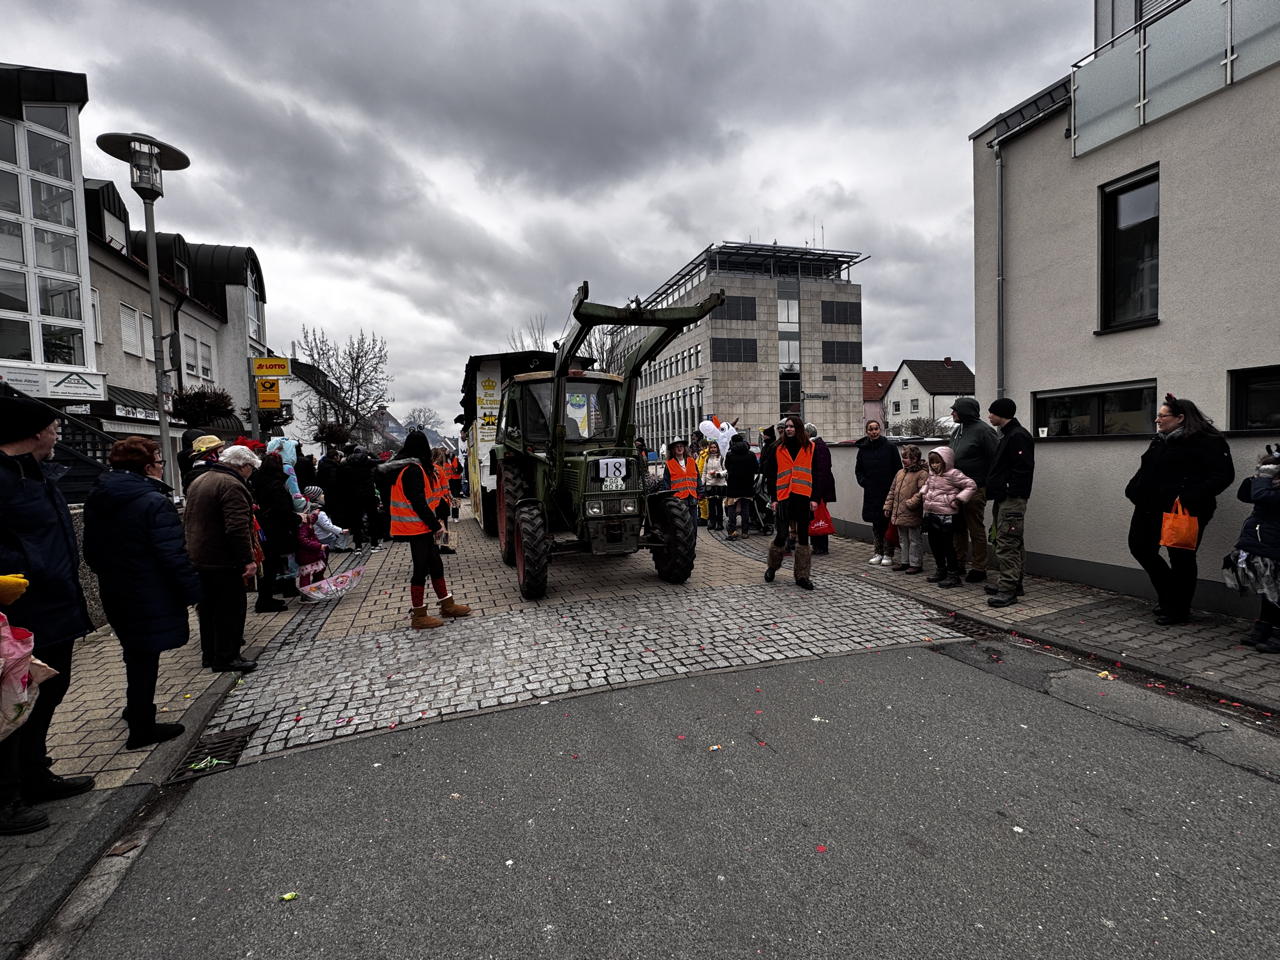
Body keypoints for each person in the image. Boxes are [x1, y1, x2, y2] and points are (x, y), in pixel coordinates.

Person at [0, 398, 94, 834]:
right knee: (12, 708)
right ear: (35, 432)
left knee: (48, 693)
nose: (59, 434)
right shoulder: (4, 479)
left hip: (56, 605)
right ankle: (7, 799)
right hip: (19, 612)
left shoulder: (35, 475)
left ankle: (34, 775)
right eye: (54, 427)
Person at [83, 437, 200, 749]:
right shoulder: (153, 502)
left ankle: (135, 711)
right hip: (150, 591)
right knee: (145, 659)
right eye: (160, 463)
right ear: (148, 467)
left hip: (117, 590)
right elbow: (171, 554)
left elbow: (90, 552)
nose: (162, 469)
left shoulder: (99, 498)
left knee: (135, 654)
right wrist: (192, 590)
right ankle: (141, 726)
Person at [1124, 394, 1234, 625]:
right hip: (1149, 506)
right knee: (1140, 548)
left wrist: (1188, 496)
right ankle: (1168, 597)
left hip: (1183, 510)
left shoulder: (1207, 440)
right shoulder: (1161, 439)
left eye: (1162, 416)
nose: (1157, 420)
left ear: (1180, 418)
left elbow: (1223, 476)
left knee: (1181, 558)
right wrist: (1133, 489)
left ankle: (1178, 609)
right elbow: (1147, 468)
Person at [380, 431, 472, 629]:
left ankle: (446, 603)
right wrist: (435, 524)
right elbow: (418, 502)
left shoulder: (409, 468)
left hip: (418, 526)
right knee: (421, 568)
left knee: (435, 564)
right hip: (415, 526)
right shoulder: (413, 470)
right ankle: (419, 614)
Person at [184, 444, 261, 673]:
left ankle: (210, 654)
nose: (250, 474)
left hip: (200, 555)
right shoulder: (232, 485)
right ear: (243, 466)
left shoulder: (202, 479)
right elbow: (236, 527)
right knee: (230, 609)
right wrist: (247, 560)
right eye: (251, 469)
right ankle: (227, 657)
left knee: (208, 609)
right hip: (222, 558)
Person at [1225, 446, 1280, 652]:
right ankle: (1265, 625)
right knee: (1268, 588)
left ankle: (1276, 629)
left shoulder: (1269, 488)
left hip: (1274, 541)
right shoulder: (1268, 484)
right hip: (1263, 538)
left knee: (1277, 589)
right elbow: (1245, 494)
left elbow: (1262, 496)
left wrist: (1264, 478)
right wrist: (1257, 476)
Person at [985, 398, 1036, 608]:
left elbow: (1022, 468)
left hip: (1011, 499)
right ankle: (1014, 584)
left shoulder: (1017, 436)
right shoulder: (1009, 435)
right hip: (1004, 497)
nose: (989, 416)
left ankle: (1008, 589)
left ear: (1002, 413)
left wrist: (1007, 489)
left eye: (992, 413)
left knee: (1007, 542)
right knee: (1010, 540)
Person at [763, 415, 816, 590]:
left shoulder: (810, 447)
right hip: (784, 497)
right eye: (786, 427)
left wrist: (815, 498)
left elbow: (817, 474)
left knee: (803, 536)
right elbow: (770, 476)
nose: (789, 429)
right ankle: (772, 566)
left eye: (792, 426)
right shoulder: (777, 448)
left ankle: (802, 575)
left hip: (802, 496)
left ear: (799, 428)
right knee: (781, 535)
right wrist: (774, 499)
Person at [949, 398, 998, 583]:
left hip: (975, 488)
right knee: (957, 527)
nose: (952, 413)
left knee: (975, 528)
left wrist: (987, 485)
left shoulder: (984, 431)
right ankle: (959, 562)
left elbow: (996, 460)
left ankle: (979, 567)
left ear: (965, 411)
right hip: (956, 488)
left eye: (955, 410)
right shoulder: (957, 431)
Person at [921, 447, 978, 588]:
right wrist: (923, 494)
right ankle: (941, 570)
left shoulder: (953, 474)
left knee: (948, 546)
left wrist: (957, 500)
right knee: (934, 544)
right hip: (931, 513)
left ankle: (953, 575)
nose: (934, 465)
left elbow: (971, 485)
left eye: (937, 462)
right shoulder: (932, 474)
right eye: (932, 462)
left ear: (946, 461)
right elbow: (927, 485)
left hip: (947, 516)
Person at [253, 453, 302, 612]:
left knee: (270, 564)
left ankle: (267, 596)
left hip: (265, 527)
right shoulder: (275, 484)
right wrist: (298, 519)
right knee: (271, 564)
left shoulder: (259, 480)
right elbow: (282, 509)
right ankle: (264, 600)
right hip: (275, 528)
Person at [854, 420, 900, 565]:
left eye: (876, 429)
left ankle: (888, 553)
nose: (874, 432)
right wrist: (864, 482)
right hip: (871, 491)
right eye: (870, 429)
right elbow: (858, 470)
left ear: (880, 430)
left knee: (887, 522)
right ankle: (878, 552)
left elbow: (897, 469)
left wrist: (894, 488)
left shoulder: (890, 447)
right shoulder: (863, 449)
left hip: (887, 491)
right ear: (867, 431)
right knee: (876, 524)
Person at [883, 444, 928, 574]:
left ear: (914, 458)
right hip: (899, 512)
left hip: (912, 512)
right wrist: (888, 506)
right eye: (903, 457)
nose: (903, 460)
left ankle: (916, 563)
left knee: (914, 539)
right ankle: (905, 561)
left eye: (906, 457)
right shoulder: (900, 472)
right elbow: (892, 490)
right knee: (903, 539)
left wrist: (912, 503)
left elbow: (922, 492)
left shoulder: (922, 474)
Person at [805, 423, 837, 555]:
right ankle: (817, 544)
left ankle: (821, 546)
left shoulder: (817, 447)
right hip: (819, 487)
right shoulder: (816, 445)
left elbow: (821, 471)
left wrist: (817, 493)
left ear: (808, 433)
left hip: (820, 488)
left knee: (819, 517)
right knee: (816, 516)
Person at [663, 437, 701, 535]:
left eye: (681, 446)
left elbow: (697, 478)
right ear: (673, 450)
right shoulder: (669, 464)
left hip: (692, 497)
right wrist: (669, 498)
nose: (679, 448)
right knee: (681, 526)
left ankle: (692, 547)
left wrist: (700, 491)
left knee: (694, 524)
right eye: (677, 447)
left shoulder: (692, 461)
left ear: (684, 448)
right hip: (678, 500)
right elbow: (666, 483)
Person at [724, 433, 758, 540]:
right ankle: (745, 532)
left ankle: (733, 530)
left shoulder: (730, 454)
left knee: (732, 507)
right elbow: (756, 468)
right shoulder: (751, 454)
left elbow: (727, 467)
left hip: (733, 484)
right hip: (747, 484)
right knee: (745, 508)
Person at [304, 485, 350, 550]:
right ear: (316, 497)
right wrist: (341, 531)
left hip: (318, 535)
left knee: (336, 531)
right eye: (321, 494)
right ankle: (340, 547)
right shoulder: (319, 511)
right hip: (324, 537)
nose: (323, 495)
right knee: (344, 532)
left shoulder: (309, 508)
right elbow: (327, 526)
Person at [702, 441, 727, 531]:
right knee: (711, 505)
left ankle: (719, 523)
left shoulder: (721, 458)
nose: (713, 449)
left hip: (719, 484)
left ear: (717, 448)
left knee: (719, 505)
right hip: (710, 485)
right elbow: (704, 472)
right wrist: (702, 483)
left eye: (714, 447)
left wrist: (718, 474)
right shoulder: (707, 459)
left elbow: (726, 471)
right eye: (711, 447)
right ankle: (712, 523)